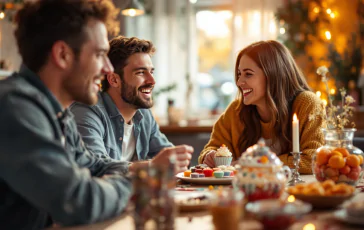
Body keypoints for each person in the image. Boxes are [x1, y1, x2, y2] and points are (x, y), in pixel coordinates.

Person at [0, 1, 191, 229]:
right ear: (63, 55)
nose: (108, 69)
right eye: (100, 54)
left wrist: (149, 169)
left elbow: (93, 166)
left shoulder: (55, 111)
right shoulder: (16, 109)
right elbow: (78, 199)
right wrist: (144, 180)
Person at [199, 40, 325, 174]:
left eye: (248, 74)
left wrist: (254, 164)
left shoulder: (307, 103)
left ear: (273, 75)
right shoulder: (235, 110)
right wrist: (210, 156)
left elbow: (314, 159)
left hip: (295, 191)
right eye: (239, 74)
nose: (239, 82)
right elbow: (212, 147)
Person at [70, 36, 193, 165]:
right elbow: (95, 167)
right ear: (114, 80)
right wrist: (151, 167)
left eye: (151, 72)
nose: (152, 81)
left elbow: (171, 159)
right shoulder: (86, 111)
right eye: (140, 72)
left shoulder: (144, 115)